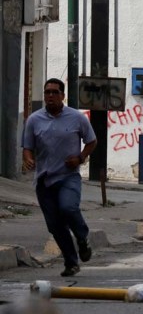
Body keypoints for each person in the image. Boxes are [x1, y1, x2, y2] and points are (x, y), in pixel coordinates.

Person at [22, 78, 97, 277]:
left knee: (68, 208)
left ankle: (82, 237)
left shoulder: (77, 118)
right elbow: (27, 147)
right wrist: (28, 160)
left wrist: (80, 157)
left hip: (68, 177)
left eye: (55, 92)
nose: (51, 96)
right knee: (55, 226)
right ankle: (71, 262)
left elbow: (92, 141)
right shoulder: (34, 120)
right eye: (47, 92)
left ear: (63, 95)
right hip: (44, 180)